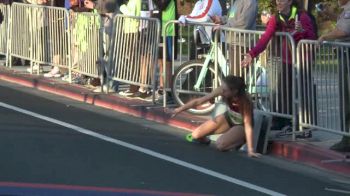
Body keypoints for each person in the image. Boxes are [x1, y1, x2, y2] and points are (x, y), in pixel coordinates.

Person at [241, 0, 317, 128]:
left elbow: (312, 38)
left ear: (289, 2)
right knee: (280, 90)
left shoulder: (302, 16)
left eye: (282, 0)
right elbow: (265, 37)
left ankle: (305, 124)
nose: (278, 3)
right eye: (277, 0)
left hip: (302, 60)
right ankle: (281, 120)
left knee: (303, 91)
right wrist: (251, 54)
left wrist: (302, 30)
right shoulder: (275, 18)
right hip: (284, 59)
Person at [171, 75, 260, 158]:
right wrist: (179, 109)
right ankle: (208, 140)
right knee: (196, 135)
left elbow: (248, 126)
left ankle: (239, 140)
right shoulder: (222, 90)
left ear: (235, 91)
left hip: (241, 125)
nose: (222, 91)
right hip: (229, 118)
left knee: (220, 145)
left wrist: (250, 150)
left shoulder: (245, 101)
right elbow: (198, 101)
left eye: (225, 90)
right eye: (222, 88)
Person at [318, 0, 350, 152]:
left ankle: (347, 138)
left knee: (347, 98)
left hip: (347, 56)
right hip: (344, 55)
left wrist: (325, 36)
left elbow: (343, 31)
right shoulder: (345, 10)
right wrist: (331, 15)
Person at [210, 0, 258, 76]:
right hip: (233, 42)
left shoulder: (250, 2)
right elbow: (231, 18)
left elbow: (243, 24)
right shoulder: (237, 1)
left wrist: (223, 27)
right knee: (234, 76)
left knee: (236, 77)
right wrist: (221, 19)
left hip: (241, 44)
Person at [84, 0, 120, 93]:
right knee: (102, 56)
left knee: (110, 56)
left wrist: (95, 5)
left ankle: (111, 84)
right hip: (103, 25)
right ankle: (103, 82)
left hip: (111, 25)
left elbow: (110, 5)